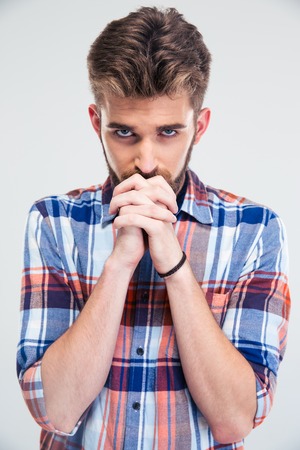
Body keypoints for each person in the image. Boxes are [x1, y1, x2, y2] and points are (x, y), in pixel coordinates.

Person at [17, 6, 290, 450]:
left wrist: (175, 265)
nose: (145, 162)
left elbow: (237, 420)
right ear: (96, 122)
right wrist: (121, 263)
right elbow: (56, 412)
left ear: (198, 127)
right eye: (124, 132)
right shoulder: (54, 221)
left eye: (168, 132)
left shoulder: (254, 230)